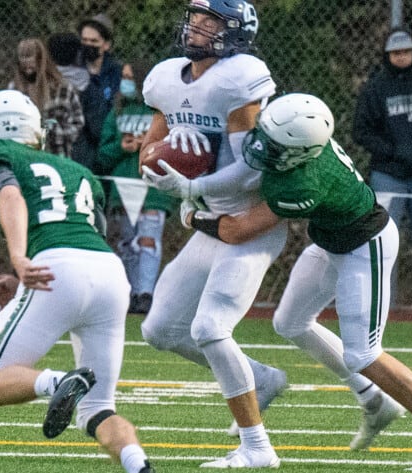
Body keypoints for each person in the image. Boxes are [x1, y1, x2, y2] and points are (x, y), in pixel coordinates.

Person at [187, 92, 412, 471]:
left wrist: (192, 214)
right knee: (288, 323)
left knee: (365, 354)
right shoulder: (297, 136)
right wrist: (196, 188)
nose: (263, 147)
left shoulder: (299, 186)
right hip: (332, 239)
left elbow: (239, 229)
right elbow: (248, 166)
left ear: (299, 152)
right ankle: (373, 398)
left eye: (276, 145)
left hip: (364, 246)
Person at [0, 90, 155, 473]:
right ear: (35, 130)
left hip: (55, 270)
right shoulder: (77, 170)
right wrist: (25, 280)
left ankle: (58, 382)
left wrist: (20, 260)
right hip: (108, 274)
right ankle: (140, 467)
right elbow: (88, 236)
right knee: (98, 409)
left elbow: (10, 194)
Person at [136, 1, 289, 467]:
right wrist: (159, 162)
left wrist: (191, 184)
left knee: (208, 327)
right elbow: (148, 147)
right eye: (196, 18)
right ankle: (260, 379)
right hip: (210, 224)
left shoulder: (239, 77)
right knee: (159, 329)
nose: (199, 26)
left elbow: (249, 171)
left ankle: (257, 448)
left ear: (237, 33)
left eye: (212, 21)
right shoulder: (166, 77)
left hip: (252, 221)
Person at [353, 28, 412, 320]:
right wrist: (394, 152)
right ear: (387, 55)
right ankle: (378, 302)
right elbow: (361, 131)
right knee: (380, 239)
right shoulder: (375, 89)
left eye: (406, 51)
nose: (402, 56)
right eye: (396, 52)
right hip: (388, 175)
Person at [96, 60, 177, 314]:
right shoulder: (117, 112)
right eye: (124, 76)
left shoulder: (160, 112)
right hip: (123, 187)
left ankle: (146, 293)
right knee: (126, 242)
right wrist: (123, 147)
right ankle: (129, 293)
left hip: (153, 188)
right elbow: (102, 154)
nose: (125, 81)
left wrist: (150, 144)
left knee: (148, 240)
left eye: (130, 76)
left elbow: (175, 146)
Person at [9, 38, 85, 158]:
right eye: (22, 57)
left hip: (57, 156)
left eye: (29, 56)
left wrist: (50, 131)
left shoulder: (63, 89)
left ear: (41, 59)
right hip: (24, 156)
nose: (26, 62)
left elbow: (77, 124)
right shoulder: (14, 90)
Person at [72, 13, 123, 172]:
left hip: (108, 141)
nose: (88, 45)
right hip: (81, 144)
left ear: (106, 44)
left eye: (94, 41)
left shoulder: (117, 72)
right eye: (84, 40)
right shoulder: (73, 70)